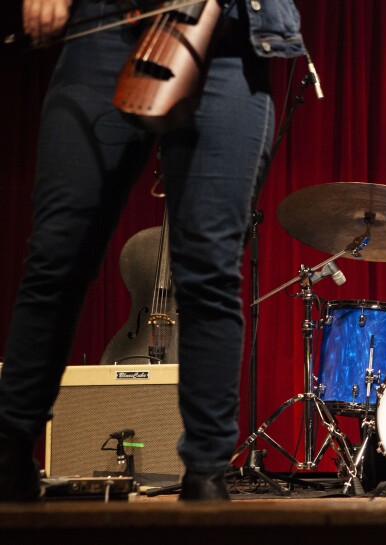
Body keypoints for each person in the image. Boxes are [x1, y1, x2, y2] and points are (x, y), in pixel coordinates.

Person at [0, 0, 307, 501]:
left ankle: (206, 471)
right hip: (108, 27)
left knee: (209, 271)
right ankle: (9, 449)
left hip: (228, 41)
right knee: (59, 256)